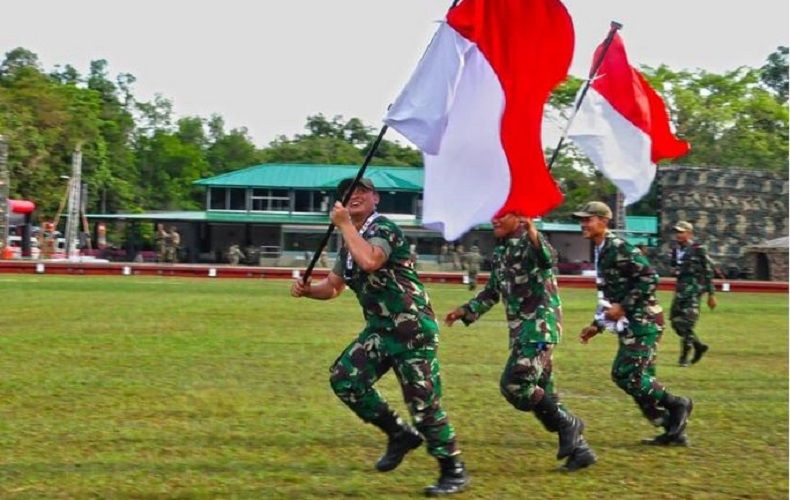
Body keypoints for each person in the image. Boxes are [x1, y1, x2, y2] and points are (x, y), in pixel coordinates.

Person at [290, 177, 469, 496]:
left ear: (376, 199)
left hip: (411, 328)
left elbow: (371, 260)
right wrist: (307, 291)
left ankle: (453, 468)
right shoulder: (350, 241)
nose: (354, 196)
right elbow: (333, 287)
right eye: (346, 193)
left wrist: (345, 225)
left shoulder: (383, 229)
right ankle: (399, 434)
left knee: (423, 403)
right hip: (381, 329)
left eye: (361, 191)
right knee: (345, 379)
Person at [445, 214, 596, 472]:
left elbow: (549, 259)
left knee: (515, 384)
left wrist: (533, 231)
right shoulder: (502, 250)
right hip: (522, 330)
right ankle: (580, 451)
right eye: (493, 215)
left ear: (519, 218)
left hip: (539, 327)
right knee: (545, 394)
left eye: (502, 215)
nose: (494, 220)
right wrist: (466, 310)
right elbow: (493, 290)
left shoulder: (531, 241)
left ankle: (570, 424)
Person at [574, 201, 694, 447]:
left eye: (588, 219)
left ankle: (677, 404)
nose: (583, 224)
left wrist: (625, 306)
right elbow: (609, 294)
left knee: (625, 373)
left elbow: (650, 277)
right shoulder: (601, 250)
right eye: (582, 220)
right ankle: (673, 430)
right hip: (632, 321)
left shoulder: (618, 247)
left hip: (644, 320)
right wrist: (597, 325)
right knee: (642, 379)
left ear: (604, 221)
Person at [670, 221, 717, 366]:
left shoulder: (698, 249)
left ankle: (684, 358)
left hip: (694, 291)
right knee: (675, 322)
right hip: (680, 291)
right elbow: (674, 268)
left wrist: (711, 294)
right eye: (677, 232)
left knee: (687, 324)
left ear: (689, 234)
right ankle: (699, 346)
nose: (678, 235)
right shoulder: (675, 250)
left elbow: (708, 271)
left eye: (682, 232)